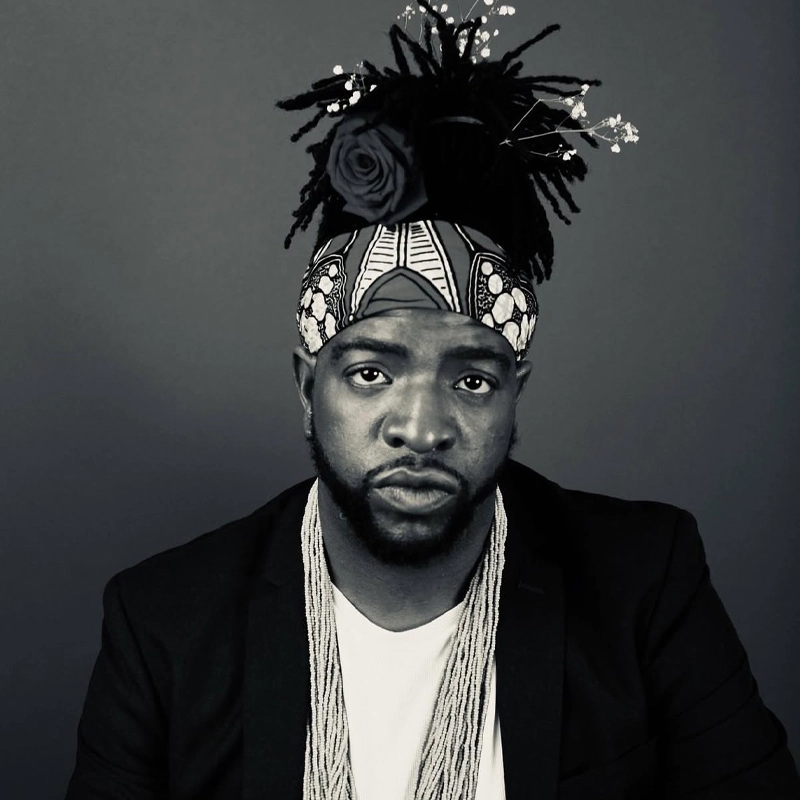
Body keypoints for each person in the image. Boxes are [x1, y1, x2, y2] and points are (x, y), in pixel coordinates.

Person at [65, 4, 800, 798]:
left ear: (516, 394)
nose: (421, 428)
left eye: (472, 379)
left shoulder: (642, 584)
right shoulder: (165, 623)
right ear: (306, 388)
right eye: (371, 374)